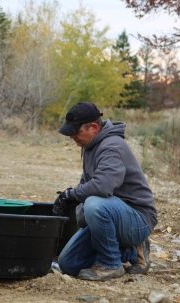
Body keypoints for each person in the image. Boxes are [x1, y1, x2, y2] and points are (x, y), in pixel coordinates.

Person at [53, 102, 157, 281]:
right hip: (113, 216)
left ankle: (110, 263)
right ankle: (131, 251)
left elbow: (102, 186)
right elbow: (86, 186)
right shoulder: (90, 147)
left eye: (75, 132)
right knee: (67, 263)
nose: (72, 137)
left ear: (93, 127)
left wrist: (72, 195)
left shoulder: (112, 146)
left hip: (138, 219)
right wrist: (74, 206)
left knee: (94, 204)